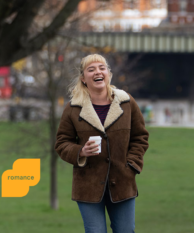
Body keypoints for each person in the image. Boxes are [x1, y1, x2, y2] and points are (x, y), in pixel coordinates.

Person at [55, 54, 149, 233]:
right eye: (91, 70)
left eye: (102, 68)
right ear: (83, 78)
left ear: (108, 74)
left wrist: (132, 165)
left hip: (122, 181)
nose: (97, 72)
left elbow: (141, 137)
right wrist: (80, 151)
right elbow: (61, 143)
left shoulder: (127, 102)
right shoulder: (73, 108)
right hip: (87, 185)